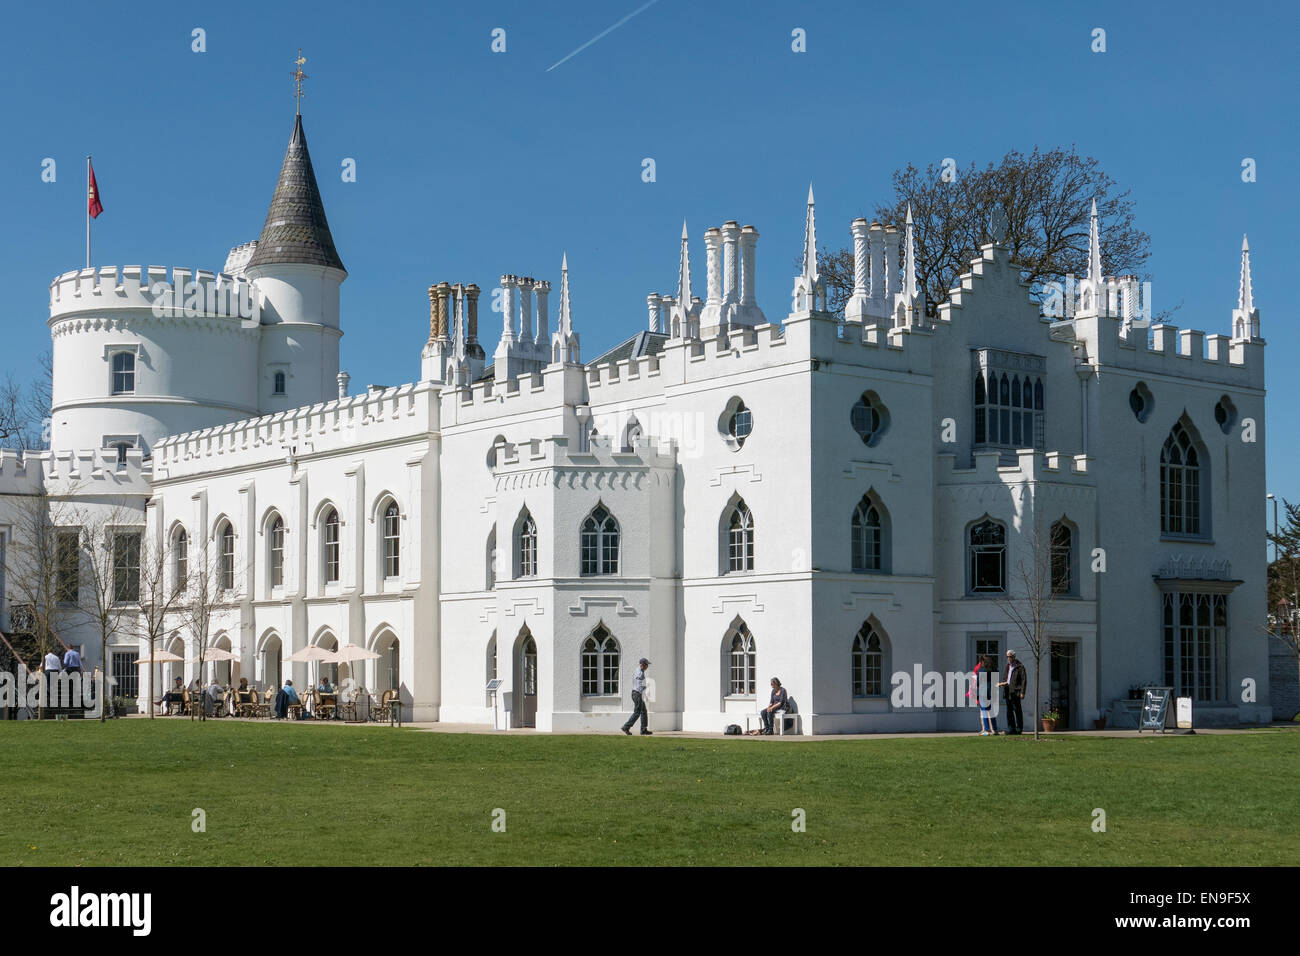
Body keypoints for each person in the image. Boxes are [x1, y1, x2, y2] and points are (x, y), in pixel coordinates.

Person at [998, 650, 1027, 735]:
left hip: (1016, 691)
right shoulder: (1008, 666)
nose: (1008, 658)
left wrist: (1022, 692)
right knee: (1009, 712)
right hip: (1008, 691)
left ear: (1014, 657)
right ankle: (1011, 729)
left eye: (1010, 656)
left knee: (1017, 711)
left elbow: (1024, 680)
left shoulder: (1020, 666)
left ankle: (1019, 729)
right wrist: (1002, 683)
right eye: (1007, 657)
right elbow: (1005, 678)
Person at [621, 658, 652, 735]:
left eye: (647, 665)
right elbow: (639, 686)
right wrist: (644, 688)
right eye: (646, 665)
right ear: (642, 665)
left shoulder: (638, 671)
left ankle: (643, 729)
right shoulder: (640, 673)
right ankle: (626, 727)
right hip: (637, 694)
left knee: (643, 711)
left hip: (636, 693)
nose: (647, 666)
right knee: (637, 712)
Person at [969, 656, 999, 735]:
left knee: (984, 711)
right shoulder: (994, 669)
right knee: (992, 711)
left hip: (983, 693)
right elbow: (996, 681)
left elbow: (978, 682)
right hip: (992, 692)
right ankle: (995, 729)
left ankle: (987, 730)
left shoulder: (981, 670)